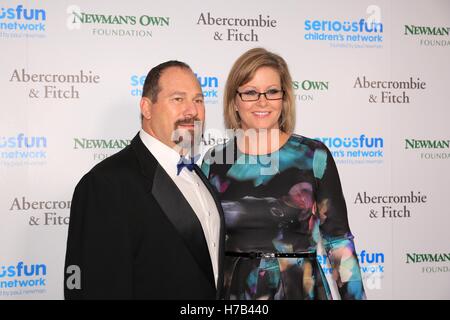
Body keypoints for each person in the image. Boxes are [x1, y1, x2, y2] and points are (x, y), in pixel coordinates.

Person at [201, 48, 366, 300]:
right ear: (234, 101)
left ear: (284, 98)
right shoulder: (213, 162)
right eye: (250, 92)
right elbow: (203, 247)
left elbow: (338, 243)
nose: (262, 101)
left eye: (272, 91)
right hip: (236, 293)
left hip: (301, 290)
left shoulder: (313, 156)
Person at [64, 60, 225, 299]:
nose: (192, 111)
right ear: (147, 108)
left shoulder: (200, 175)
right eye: (178, 99)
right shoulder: (107, 184)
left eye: (198, 100)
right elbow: (94, 288)